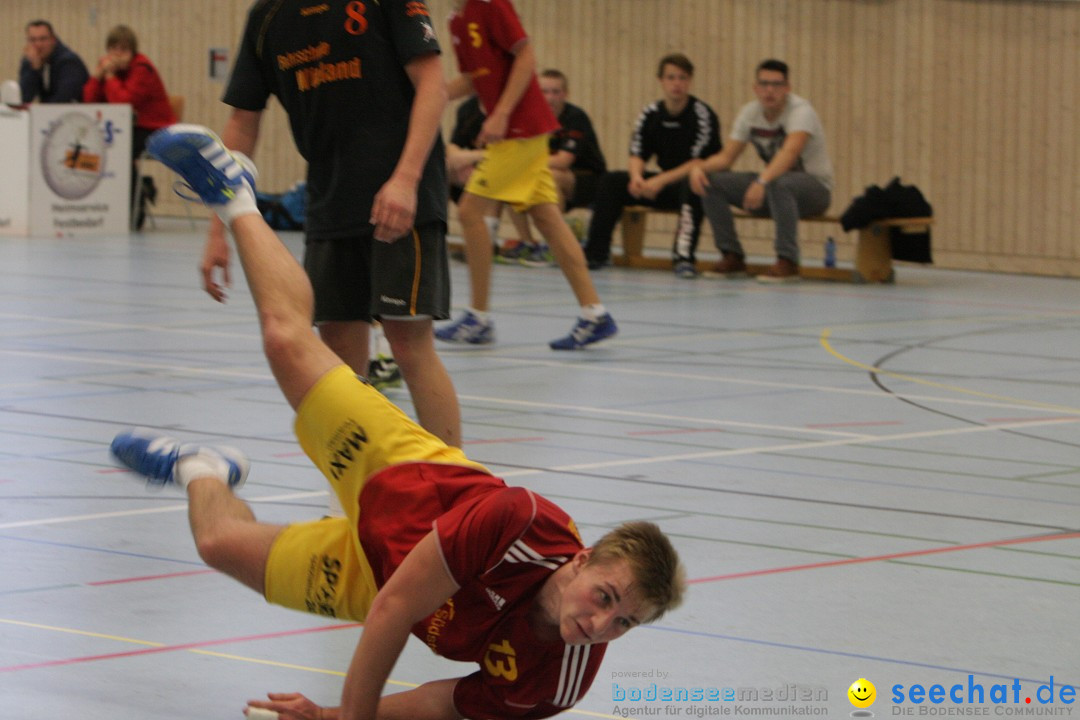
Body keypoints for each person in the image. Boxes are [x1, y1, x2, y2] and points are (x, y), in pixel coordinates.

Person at [111, 124, 686, 720]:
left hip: (375, 570)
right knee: (285, 340)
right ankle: (234, 195)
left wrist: (331, 716)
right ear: (581, 559)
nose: (599, 624)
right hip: (398, 475)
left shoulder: (557, 682)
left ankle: (203, 468)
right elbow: (392, 616)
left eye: (624, 623)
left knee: (216, 543)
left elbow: (449, 703)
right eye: (606, 598)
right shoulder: (519, 523)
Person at [199, 0, 463, 447]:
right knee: (336, 356)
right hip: (329, 199)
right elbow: (242, 123)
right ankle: (356, 496)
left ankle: (459, 494)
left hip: (404, 193)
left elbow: (433, 85)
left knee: (407, 342)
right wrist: (216, 226)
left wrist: (405, 179)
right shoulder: (266, 17)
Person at [436, 0, 618, 350]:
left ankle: (478, 317)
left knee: (471, 211)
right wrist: (427, 94)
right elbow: (474, 79)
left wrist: (501, 113)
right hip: (521, 132)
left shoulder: (491, 4)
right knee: (548, 218)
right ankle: (595, 313)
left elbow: (526, 56)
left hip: (521, 128)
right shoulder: (457, 20)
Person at [689, 59, 833, 283]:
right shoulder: (750, 113)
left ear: (787, 88)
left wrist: (762, 182)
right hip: (774, 188)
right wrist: (699, 168)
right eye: (764, 84)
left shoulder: (801, 111)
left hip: (814, 190)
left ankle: (788, 260)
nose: (769, 90)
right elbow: (727, 157)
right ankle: (732, 255)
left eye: (776, 85)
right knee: (712, 182)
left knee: (779, 182)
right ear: (755, 88)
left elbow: (789, 153)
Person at [583, 54, 720, 279]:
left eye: (682, 78)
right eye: (671, 77)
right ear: (661, 81)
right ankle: (596, 253)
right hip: (660, 183)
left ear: (690, 81)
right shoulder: (650, 114)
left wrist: (659, 181)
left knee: (693, 185)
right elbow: (637, 152)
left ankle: (683, 257)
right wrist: (637, 178)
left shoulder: (702, 115)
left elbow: (698, 162)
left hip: (689, 182)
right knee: (612, 181)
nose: (676, 83)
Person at [498, 68, 607, 265]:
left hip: (590, 180)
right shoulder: (531, 118)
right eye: (545, 92)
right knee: (510, 178)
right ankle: (528, 243)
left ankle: (554, 247)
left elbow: (563, 161)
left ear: (565, 94)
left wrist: (524, 164)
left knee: (553, 174)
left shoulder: (575, 117)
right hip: (546, 172)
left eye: (556, 92)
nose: (550, 98)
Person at [82, 24, 177, 230]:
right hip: (128, 128)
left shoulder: (143, 70)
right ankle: (116, 199)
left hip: (154, 129)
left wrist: (110, 78)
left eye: (123, 50)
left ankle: (135, 209)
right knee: (97, 148)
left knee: (121, 151)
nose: (116, 55)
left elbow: (122, 104)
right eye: (112, 49)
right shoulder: (109, 69)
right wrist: (97, 77)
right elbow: (88, 101)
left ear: (132, 51)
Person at [17, 20, 89, 104]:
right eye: (33, 40)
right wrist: (35, 70)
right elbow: (24, 97)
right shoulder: (30, 60)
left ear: (53, 40)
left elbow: (63, 99)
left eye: (43, 39)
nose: (38, 44)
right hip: (47, 112)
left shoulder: (68, 62)